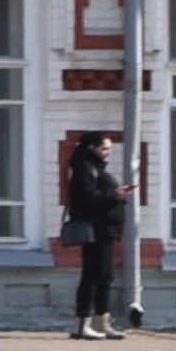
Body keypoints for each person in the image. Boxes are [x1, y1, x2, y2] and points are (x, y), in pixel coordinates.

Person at [66, 131, 130, 340]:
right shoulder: (84, 167)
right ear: (91, 148)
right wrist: (115, 194)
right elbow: (87, 197)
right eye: (104, 148)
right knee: (93, 276)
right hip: (96, 229)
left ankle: (103, 322)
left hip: (107, 229)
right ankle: (81, 324)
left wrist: (116, 195)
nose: (108, 152)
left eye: (110, 148)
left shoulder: (95, 167)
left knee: (106, 276)